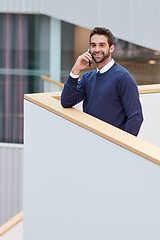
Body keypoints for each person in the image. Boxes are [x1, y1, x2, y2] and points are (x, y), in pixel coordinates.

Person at [61, 27, 143, 136]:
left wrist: (122, 147)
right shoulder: (87, 78)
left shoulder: (123, 78)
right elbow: (66, 102)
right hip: (90, 141)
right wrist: (75, 70)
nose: (97, 49)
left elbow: (136, 117)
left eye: (102, 45)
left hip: (112, 146)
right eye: (93, 45)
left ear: (111, 48)